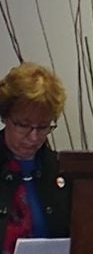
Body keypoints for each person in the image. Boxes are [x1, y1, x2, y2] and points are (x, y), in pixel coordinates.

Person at [0, 62, 71, 253]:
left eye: (42, 127)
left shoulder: (62, 171)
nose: (33, 137)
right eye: (23, 125)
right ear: (5, 117)